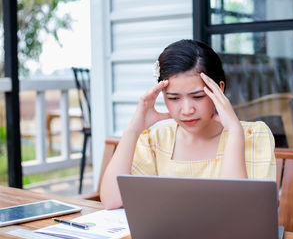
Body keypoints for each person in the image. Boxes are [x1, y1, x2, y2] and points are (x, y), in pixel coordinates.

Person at [100, 39, 276, 209]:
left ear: (219, 89)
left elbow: (237, 211)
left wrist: (234, 131)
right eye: (174, 98)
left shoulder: (254, 135)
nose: (186, 110)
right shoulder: (157, 140)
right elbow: (111, 200)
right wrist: (133, 130)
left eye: (197, 97)